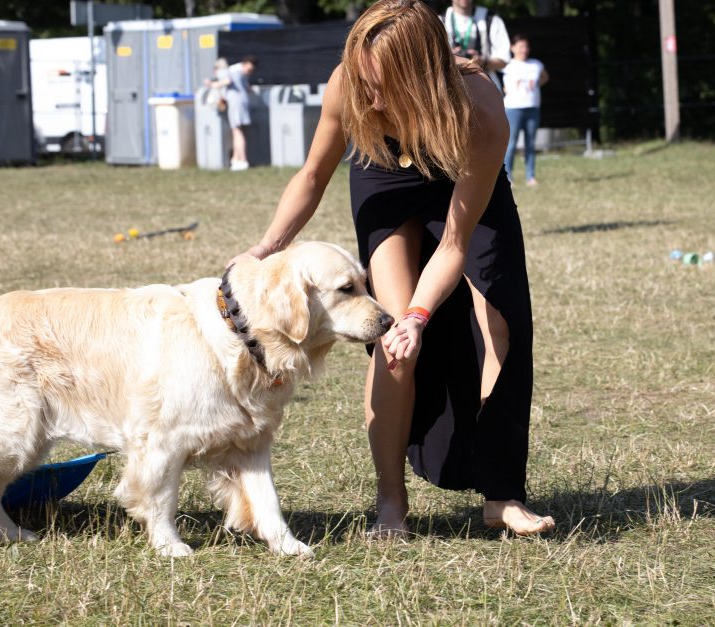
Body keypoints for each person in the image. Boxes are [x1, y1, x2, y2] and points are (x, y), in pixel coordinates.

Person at [229, 0, 555, 537]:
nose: (370, 96)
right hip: (385, 175)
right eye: (363, 80)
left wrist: (423, 315)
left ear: (422, 76)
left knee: (500, 325)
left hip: (461, 178)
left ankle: (502, 495)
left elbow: (454, 242)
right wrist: (265, 247)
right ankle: (390, 505)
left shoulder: (480, 107)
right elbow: (312, 177)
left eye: (383, 85)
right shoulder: (349, 85)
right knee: (389, 332)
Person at [502, 34, 549, 186]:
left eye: (526, 47)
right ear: (513, 48)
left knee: (530, 143)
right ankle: (508, 177)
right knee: (511, 143)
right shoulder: (506, 65)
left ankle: (531, 176)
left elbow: (544, 78)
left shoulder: (536, 64)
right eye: (521, 46)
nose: (524, 50)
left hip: (532, 107)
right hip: (513, 108)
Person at [442, 0, 511, 90]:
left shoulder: (490, 18)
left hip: (485, 88)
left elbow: (504, 60)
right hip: (452, 89)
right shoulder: (441, 20)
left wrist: (483, 62)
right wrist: (451, 57)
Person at [209, 55, 257, 171]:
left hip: (236, 103)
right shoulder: (238, 71)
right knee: (236, 131)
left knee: (237, 131)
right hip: (240, 102)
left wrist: (212, 84)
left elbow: (226, 81)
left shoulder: (230, 71)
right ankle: (236, 159)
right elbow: (247, 88)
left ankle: (243, 160)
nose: (249, 72)